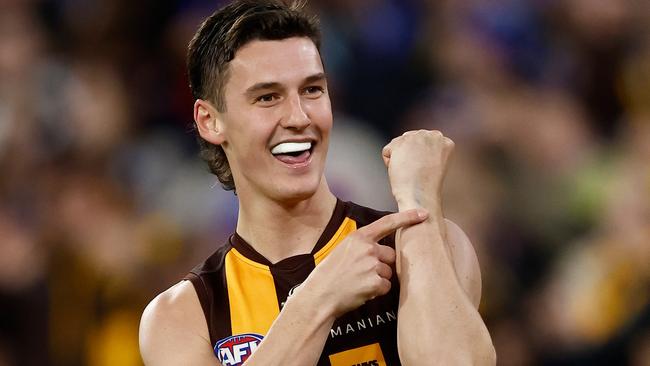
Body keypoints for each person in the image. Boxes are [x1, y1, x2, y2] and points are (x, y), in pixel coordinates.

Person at [139, 1, 496, 365]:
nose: (298, 116)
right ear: (210, 121)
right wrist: (319, 298)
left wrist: (419, 202)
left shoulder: (431, 244)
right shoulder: (182, 315)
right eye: (267, 97)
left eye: (312, 90)